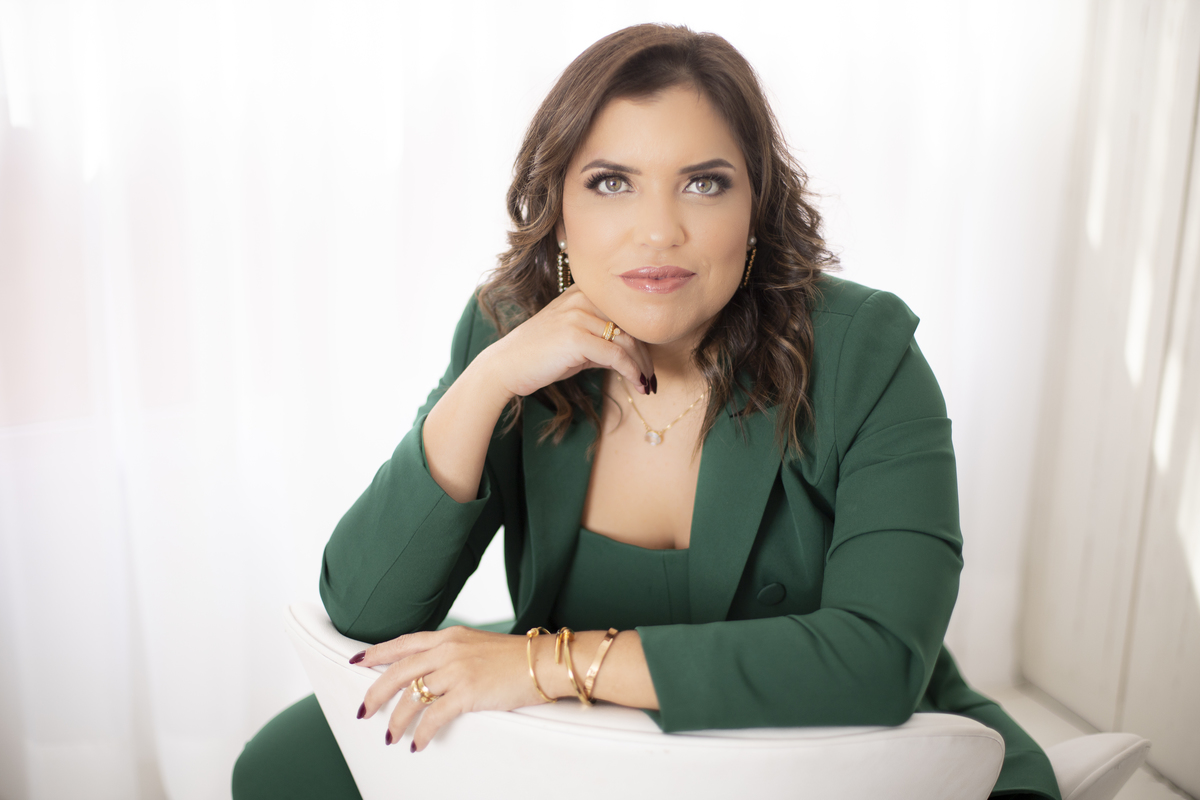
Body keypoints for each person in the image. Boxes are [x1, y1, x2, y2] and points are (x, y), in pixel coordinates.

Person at [233, 23, 1061, 800]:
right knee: (285, 768)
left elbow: (877, 661)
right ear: (558, 210)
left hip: (828, 751)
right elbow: (365, 609)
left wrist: (545, 665)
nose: (658, 231)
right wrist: (486, 383)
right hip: (597, 739)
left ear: (756, 208)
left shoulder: (864, 351)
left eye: (703, 183)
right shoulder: (507, 330)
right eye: (611, 182)